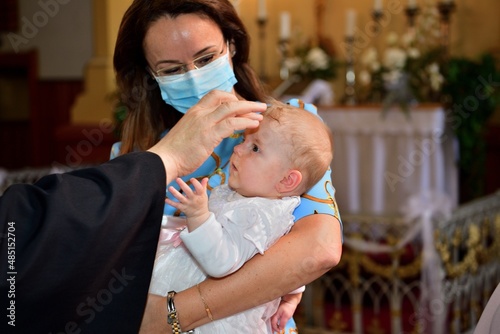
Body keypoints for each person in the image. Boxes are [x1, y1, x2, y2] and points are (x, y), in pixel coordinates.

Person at [111, 0, 343, 332]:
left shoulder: (285, 127)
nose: (193, 78)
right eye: (172, 69)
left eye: (206, 59)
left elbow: (318, 249)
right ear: (150, 75)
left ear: (231, 45)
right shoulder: (134, 156)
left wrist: (170, 314)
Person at [0, 91, 265, 333]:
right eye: (171, 68)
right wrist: (167, 159)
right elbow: (21, 237)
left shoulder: (269, 187)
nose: (240, 149)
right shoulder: (133, 144)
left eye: (206, 58)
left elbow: (289, 251)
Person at [149, 101, 334, 333]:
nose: (238, 149)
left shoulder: (258, 214)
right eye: (244, 141)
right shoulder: (253, 199)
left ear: (287, 181)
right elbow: (279, 259)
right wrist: (293, 295)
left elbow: (222, 262)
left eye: (255, 148)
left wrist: (198, 216)